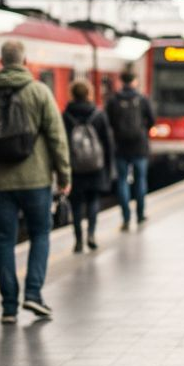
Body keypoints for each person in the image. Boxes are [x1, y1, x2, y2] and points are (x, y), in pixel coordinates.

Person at [0, 41, 71, 323]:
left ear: (1, 61)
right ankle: (33, 294)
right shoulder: (39, 92)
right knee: (40, 234)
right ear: (24, 60)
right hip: (35, 179)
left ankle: (9, 307)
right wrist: (64, 176)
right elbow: (57, 138)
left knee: (4, 241)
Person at [64, 80, 115, 251]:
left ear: (72, 94)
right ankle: (91, 234)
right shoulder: (98, 115)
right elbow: (108, 144)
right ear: (89, 94)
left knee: (76, 204)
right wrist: (108, 169)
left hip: (74, 167)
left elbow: (61, 144)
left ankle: (78, 240)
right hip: (95, 166)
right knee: (93, 201)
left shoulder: (66, 115)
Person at [105, 70, 154, 231]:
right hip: (139, 146)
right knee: (140, 180)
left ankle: (126, 218)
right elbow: (151, 120)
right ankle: (140, 214)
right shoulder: (142, 99)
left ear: (121, 81)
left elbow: (109, 122)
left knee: (122, 181)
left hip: (121, 146)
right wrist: (142, 130)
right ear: (134, 81)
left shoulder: (113, 100)